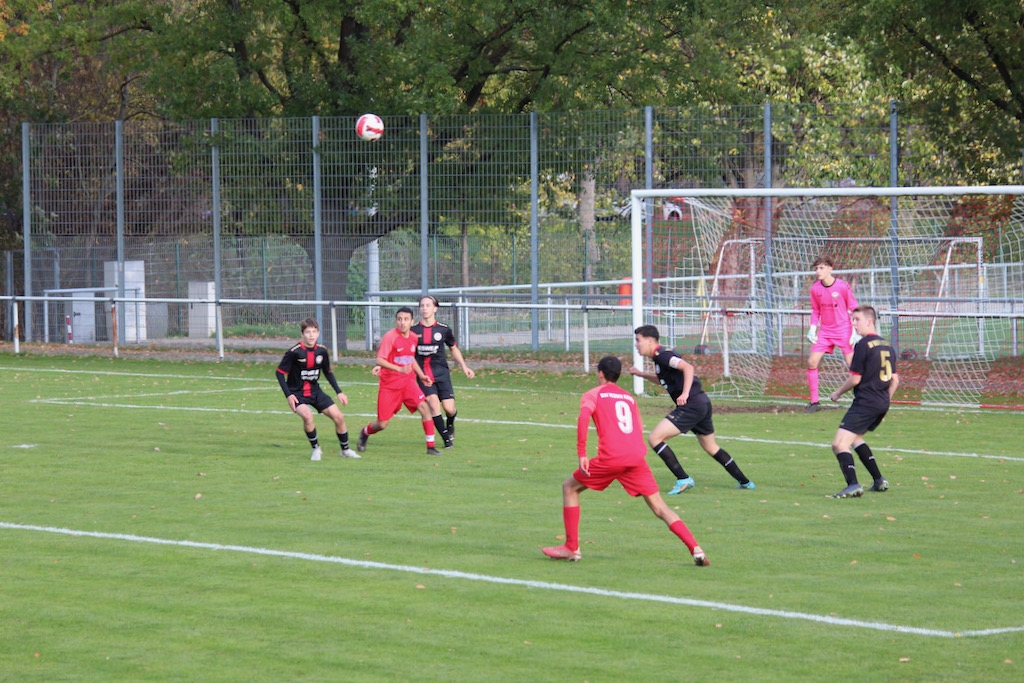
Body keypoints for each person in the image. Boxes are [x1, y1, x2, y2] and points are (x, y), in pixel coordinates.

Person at [541, 356, 708, 566]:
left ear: (600, 373)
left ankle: (571, 548)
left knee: (569, 488)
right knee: (660, 508)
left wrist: (582, 453)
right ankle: (696, 549)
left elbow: (584, 418)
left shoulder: (593, 394)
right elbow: (638, 427)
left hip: (612, 457)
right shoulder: (629, 398)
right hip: (636, 457)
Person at [628, 324, 755, 494]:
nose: (636, 344)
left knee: (655, 438)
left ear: (650, 341)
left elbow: (688, 367)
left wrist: (685, 393)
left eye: (638, 340)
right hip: (701, 403)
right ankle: (745, 482)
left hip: (691, 405)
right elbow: (664, 380)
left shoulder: (664, 355)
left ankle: (683, 479)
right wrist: (641, 374)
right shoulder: (659, 359)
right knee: (711, 447)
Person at [826, 305, 898, 498]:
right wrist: (885, 402)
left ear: (869, 321)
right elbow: (895, 380)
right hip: (880, 402)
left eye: (857, 320)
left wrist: (837, 393)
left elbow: (855, 379)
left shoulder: (863, 345)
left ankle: (853, 485)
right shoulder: (887, 346)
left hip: (865, 402)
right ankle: (879, 480)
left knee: (839, 444)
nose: (853, 324)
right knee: (855, 438)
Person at [357, 307, 442, 455]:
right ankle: (365, 432)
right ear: (396, 321)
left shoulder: (414, 337)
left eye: (406, 319)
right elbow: (380, 360)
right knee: (382, 424)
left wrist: (421, 375)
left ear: (412, 322)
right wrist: (399, 369)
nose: (402, 322)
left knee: (425, 408)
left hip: (408, 383)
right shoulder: (390, 337)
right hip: (389, 386)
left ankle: (430, 447)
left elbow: (411, 359)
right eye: (399, 319)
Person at [276, 318, 360, 461]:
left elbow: (328, 372)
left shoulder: (321, 351)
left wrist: (339, 392)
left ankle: (345, 450)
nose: (311, 335)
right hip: (297, 394)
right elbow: (279, 373)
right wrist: (288, 395)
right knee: (307, 416)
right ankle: (316, 449)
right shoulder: (294, 352)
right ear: (302, 334)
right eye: (308, 332)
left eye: (314, 332)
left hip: (315, 392)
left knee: (339, 417)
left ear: (318, 333)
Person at [412, 294, 475, 447]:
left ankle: (450, 423)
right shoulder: (413, 331)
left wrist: (464, 366)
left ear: (435, 309)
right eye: (422, 305)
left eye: (428, 305)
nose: (424, 308)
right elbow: (408, 354)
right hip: (424, 376)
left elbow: (453, 348)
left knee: (449, 409)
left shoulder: (444, 329)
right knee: (433, 404)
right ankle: (447, 440)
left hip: (442, 374)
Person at [806, 255, 859, 413]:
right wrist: (812, 328)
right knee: (812, 362)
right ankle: (814, 402)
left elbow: (854, 307)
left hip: (844, 330)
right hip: (825, 331)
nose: (818, 271)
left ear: (830, 269)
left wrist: (855, 330)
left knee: (854, 368)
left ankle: (861, 400)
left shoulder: (842, 286)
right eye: (816, 268)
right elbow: (816, 311)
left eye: (821, 268)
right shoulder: (815, 289)